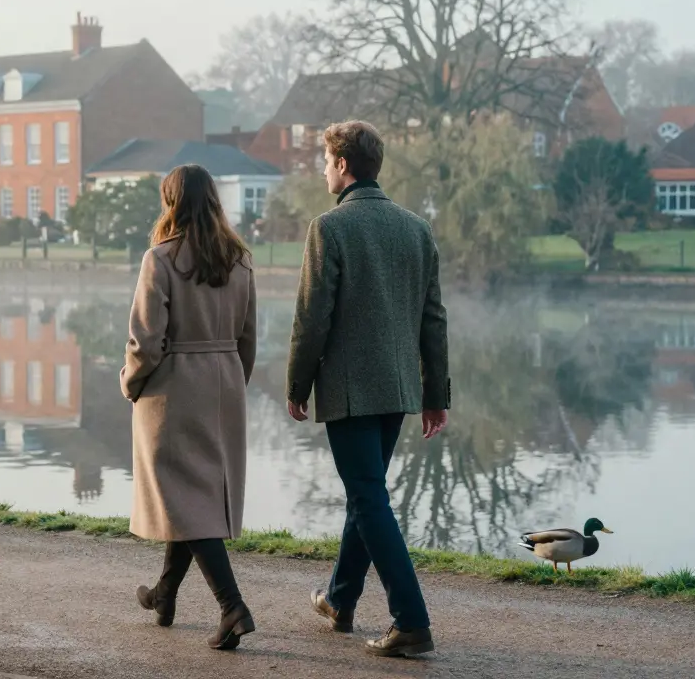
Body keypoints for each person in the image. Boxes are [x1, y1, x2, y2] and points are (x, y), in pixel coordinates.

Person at [286, 120, 451, 657]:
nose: (323, 170)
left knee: (368, 497)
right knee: (367, 493)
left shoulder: (329, 227)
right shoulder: (416, 228)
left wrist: (297, 383)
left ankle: (411, 620)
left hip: (352, 392)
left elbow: (312, 318)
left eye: (326, 161)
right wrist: (434, 395)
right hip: (399, 389)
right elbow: (433, 319)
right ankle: (340, 600)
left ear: (342, 166)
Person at [121, 164, 258, 650]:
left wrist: (130, 384)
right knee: (193, 493)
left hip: (174, 388)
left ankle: (231, 607)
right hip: (224, 384)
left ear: (171, 201)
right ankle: (164, 594)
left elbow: (146, 341)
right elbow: (248, 338)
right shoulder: (240, 259)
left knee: (184, 496)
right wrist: (233, 385)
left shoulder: (159, 259)